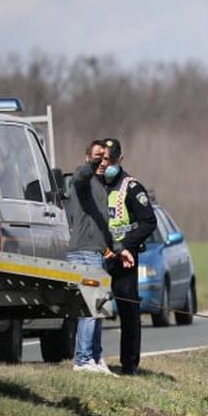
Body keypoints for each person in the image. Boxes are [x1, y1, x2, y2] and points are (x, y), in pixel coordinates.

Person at [98, 137, 157, 376]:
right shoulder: (94, 184)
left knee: (128, 309)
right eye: (103, 159)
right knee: (92, 307)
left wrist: (125, 245)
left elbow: (148, 222)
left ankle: (129, 363)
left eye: (111, 160)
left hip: (124, 257)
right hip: (98, 253)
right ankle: (90, 358)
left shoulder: (131, 187)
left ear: (120, 160)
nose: (106, 164)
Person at [65, 140, 116, 374]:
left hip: (96, 251)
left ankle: (95, 358)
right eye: (98, 157)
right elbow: (81, 174)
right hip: (84, 252)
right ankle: (83, 360)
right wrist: (94, 161)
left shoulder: (100, 185)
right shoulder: (83, 179)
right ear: (88, 157)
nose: (103, 162)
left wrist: (117, 249)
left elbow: (103, 224)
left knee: (99, 307)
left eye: (106, 158)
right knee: (91, 307)